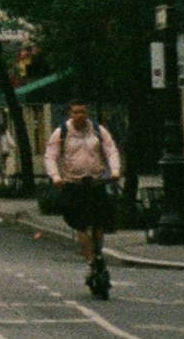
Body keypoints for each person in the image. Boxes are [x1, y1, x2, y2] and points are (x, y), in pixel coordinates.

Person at [44, 102, 124, 299]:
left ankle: (98, 254)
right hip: (74, 184)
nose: (79, 115)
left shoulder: (97, 130)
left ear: (87, 112)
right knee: (81, 224)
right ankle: (91, 261)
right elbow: (50, 156)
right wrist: (55, 177)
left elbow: (111, 150)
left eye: (83, 111)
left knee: (100, 222)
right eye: (75, 111)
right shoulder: (61, 132)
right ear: (71, 113)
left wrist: (114, 170)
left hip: (96, 182)